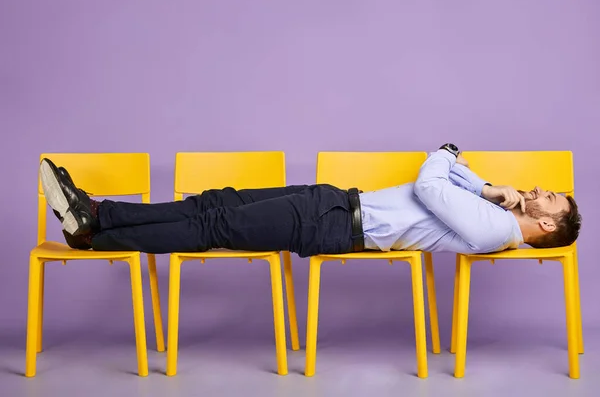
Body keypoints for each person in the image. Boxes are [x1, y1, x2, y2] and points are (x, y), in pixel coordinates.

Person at [39, 144, 581, 257]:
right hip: (335, 201)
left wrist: (447, 153)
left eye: (548, 198)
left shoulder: (494, 231)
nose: (536, 191)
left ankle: (95, 234)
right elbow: (452, 182)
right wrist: (484, 183)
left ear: (550, 227)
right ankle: (99, 213)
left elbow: (432, 183)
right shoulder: (494, 214)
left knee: (216, 227)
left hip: (335, 227)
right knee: (213, 201)